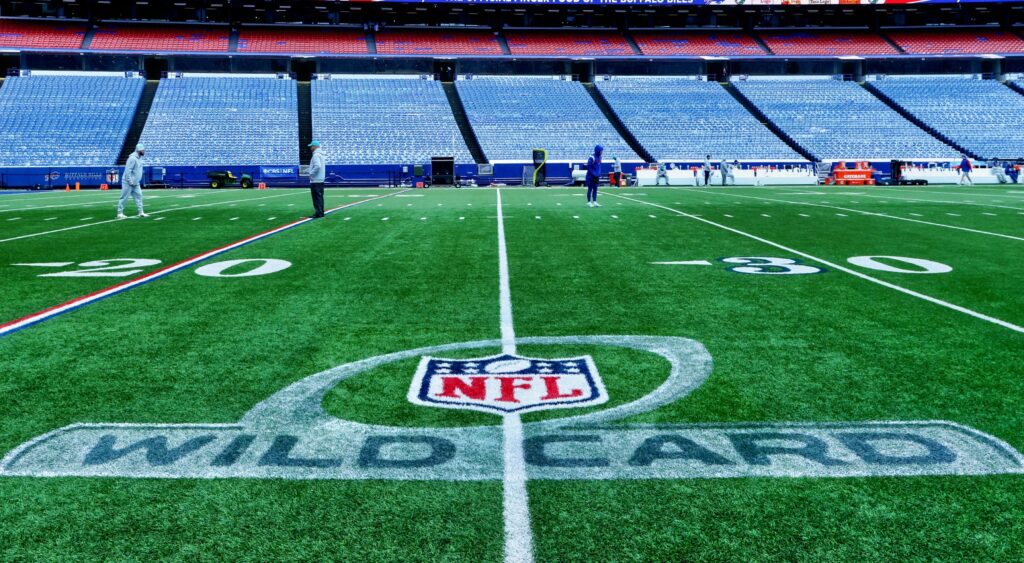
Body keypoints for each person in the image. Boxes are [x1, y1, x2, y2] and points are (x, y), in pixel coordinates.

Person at [117, 144, 147, 220]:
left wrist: (136, 180)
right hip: (128, 182)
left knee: (139, 196)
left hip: (136, 182)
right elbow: (128, 170)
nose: (144, 151)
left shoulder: (140, 158)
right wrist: (130, 181)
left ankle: (141, 212)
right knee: (124, 197)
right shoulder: (132, 159)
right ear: (138, 150)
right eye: (142, 150)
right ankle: (119, 213)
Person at [308, 140, 326, 218]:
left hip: (316, 180)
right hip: (321, 179)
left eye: (312, 146)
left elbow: (317, 166)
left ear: (315, 146)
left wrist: (311, 173)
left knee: (316, 197)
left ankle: (318, 213)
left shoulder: (316, 155)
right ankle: (321, 212)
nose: (311, 148)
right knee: (320, 197)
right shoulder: (321, 155)